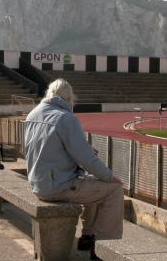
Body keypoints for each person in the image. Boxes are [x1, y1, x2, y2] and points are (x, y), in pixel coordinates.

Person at [24, 78, 123, 261]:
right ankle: (105, 248)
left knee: (93, 186)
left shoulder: (32, 114)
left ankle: (87, 237)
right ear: (68, 97)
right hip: (57, 186)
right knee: (113, 190)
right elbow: (86, 159)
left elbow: (43, 150)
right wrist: (110, 177)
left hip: (38, 183)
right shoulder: (65, 118)